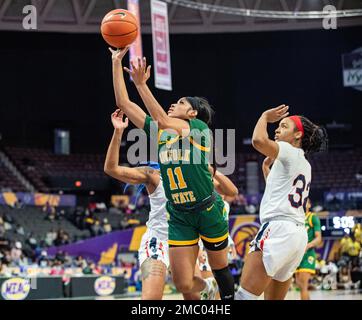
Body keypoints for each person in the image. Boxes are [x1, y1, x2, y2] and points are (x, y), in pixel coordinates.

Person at [109, 47, 235, 300]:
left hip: (207, 207)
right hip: (179, 213)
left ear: (192, 113)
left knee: (219, 268)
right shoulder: (161, 135)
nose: (172, 104)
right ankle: (208, 289)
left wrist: (142, 85)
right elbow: (124, 103)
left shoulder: (198, 128)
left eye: (180, 103)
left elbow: (163, 120)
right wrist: (115, 62)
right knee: (183, 284)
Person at [236, 105, 328, 300]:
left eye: (283, 126)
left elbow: (258, 140)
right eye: (277, 126)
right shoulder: (304, 163)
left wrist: (263, 116)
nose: (276, 129)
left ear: (297, 135)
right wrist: (266, 168)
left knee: (244, 296)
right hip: (297, 236)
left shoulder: (289, 150)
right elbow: (281, 189)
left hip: (278, 229)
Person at [295, 199, 322, 300]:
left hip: (307, 254)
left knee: (303, 285)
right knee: (299, 285)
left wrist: (307, 245)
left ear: (309, 205)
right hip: (297, 255)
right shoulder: (296, 218)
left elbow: (319, 238)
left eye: (305, 201)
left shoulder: (312, 217)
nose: (302, 202)